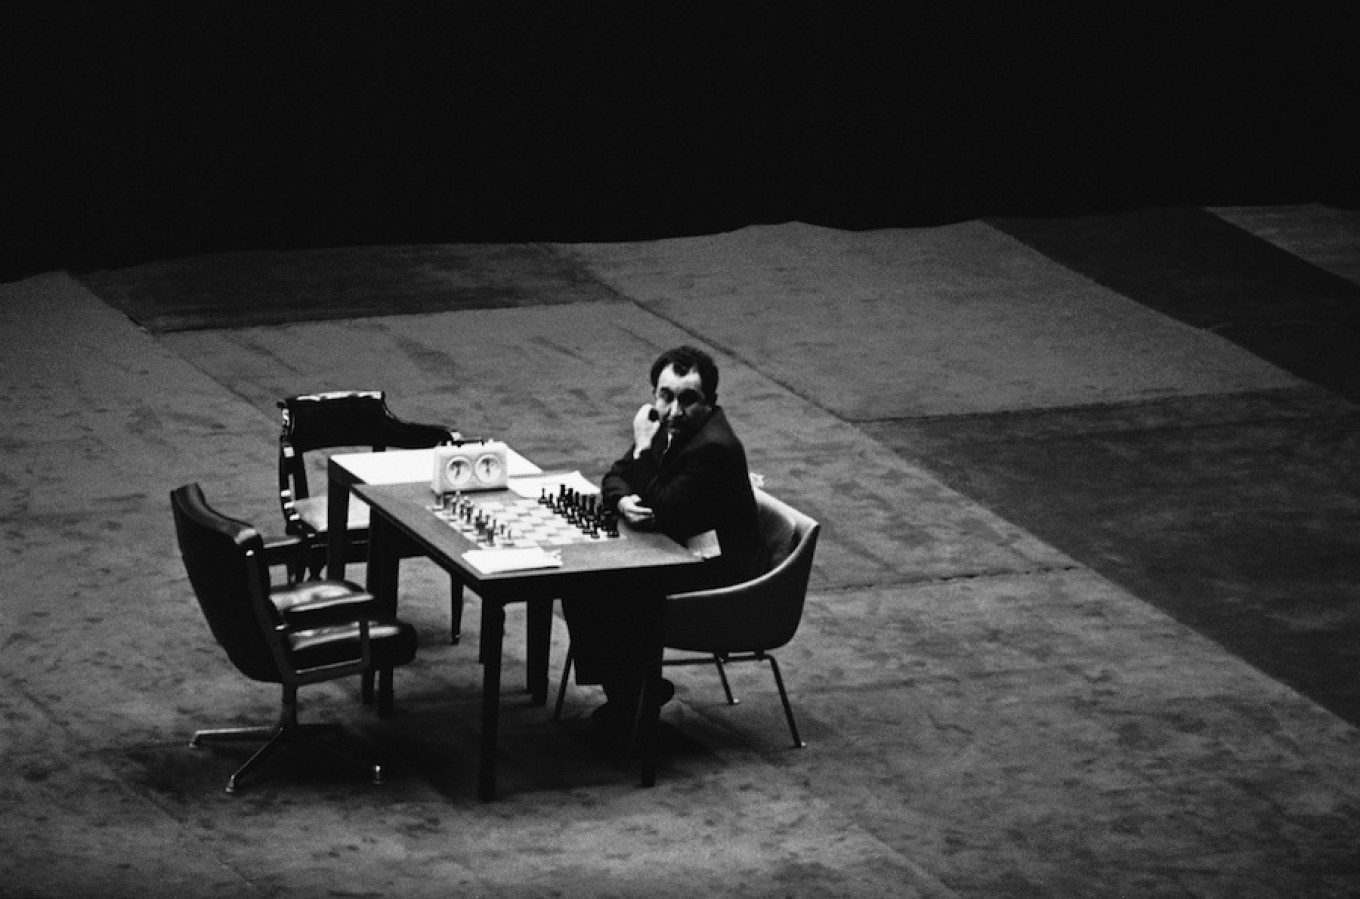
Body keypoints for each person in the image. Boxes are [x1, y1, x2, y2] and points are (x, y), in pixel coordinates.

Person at [563, 345, 762, 737]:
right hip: (678, 549)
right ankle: (630, 692)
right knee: (583, 576)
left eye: (688, 400)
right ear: (655, 394)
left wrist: (641, 449)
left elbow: (664, 507)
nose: (674, 410)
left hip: (719, 570)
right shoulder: (670, 428)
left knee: (621, 587)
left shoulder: (714, 447)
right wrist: (622, 499)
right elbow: (616, 476)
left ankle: (634, 699)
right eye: (666, 396)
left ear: (710, 403)